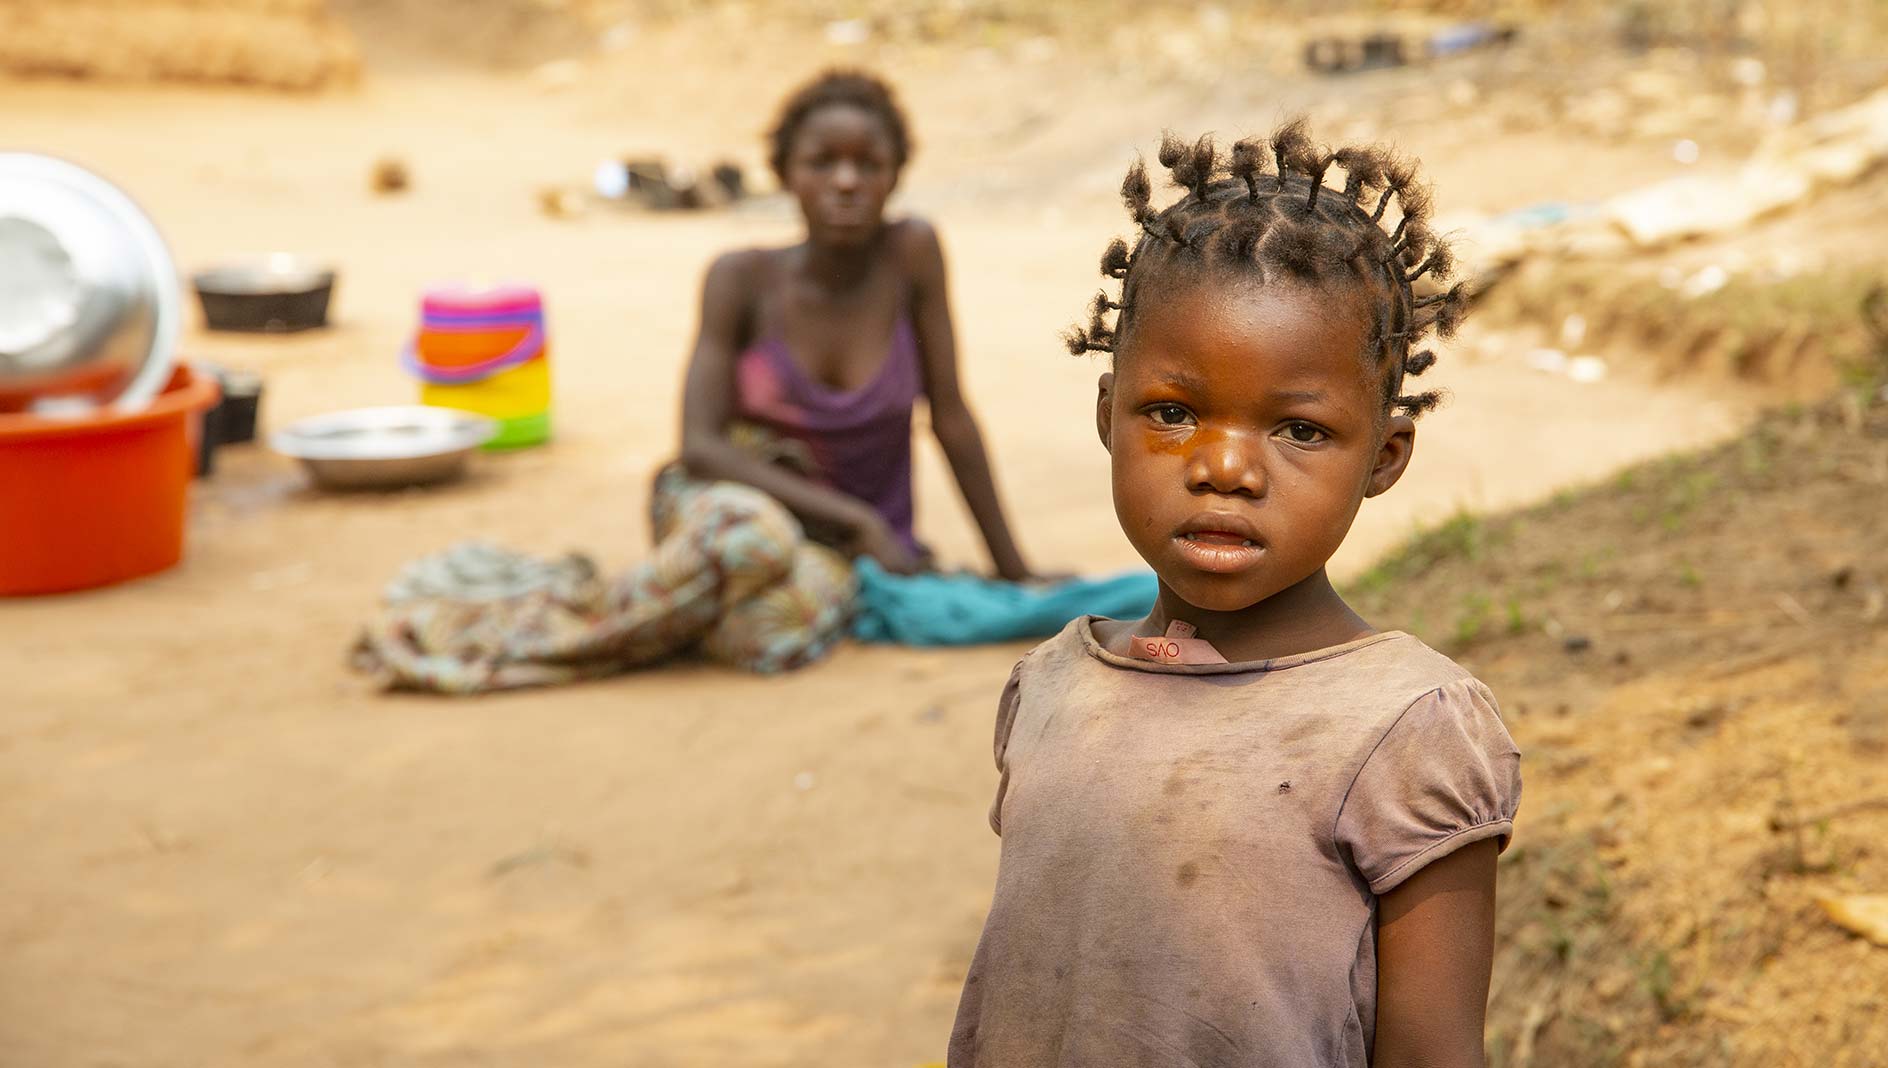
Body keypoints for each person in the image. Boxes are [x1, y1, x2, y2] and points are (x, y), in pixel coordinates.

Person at [948, 121, 1521, 1067]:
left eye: (1296, 432)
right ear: (1107, 417)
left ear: (1383, 458)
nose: (1223, 468)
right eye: (1172, 414)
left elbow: (1434, 1054)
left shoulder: (1406, 730)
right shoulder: (1048, 689)